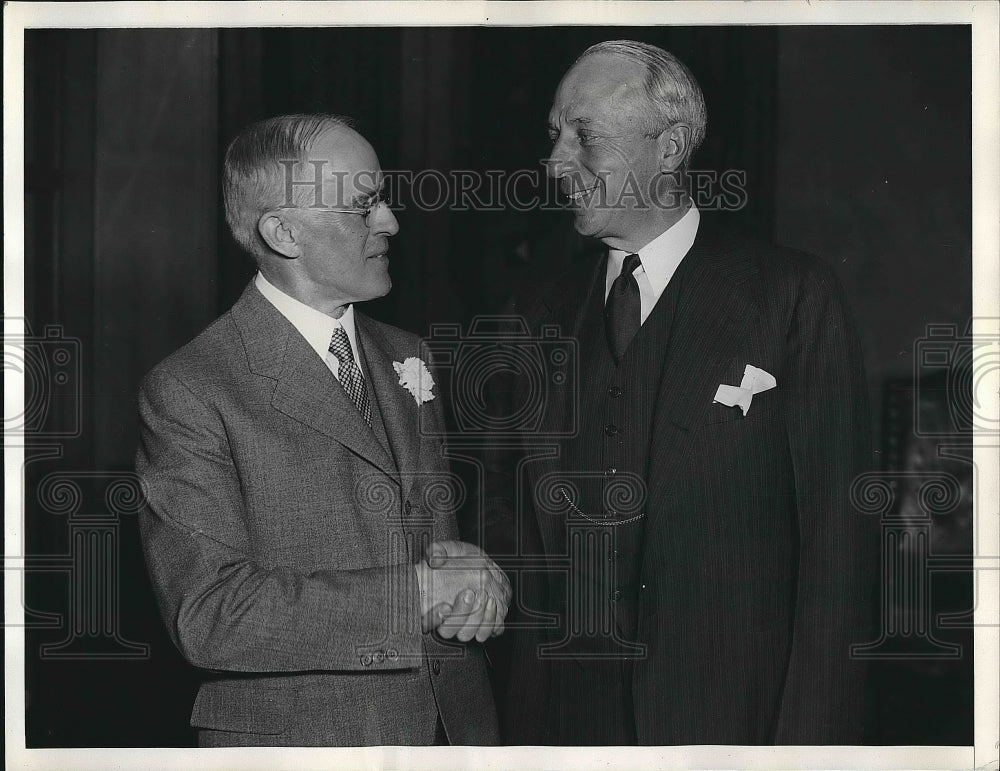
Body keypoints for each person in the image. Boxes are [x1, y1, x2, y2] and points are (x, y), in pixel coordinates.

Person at [484, 40, 877, 745]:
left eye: (584, 135)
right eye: (554, 135)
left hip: (731, 730)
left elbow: (837, 561)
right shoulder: (534, 314)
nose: (555, 163)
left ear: (670, 147)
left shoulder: (790, 297)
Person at [136, 113, 508, 747]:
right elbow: (209, 616)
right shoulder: (193, 387)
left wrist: (474, 581)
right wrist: (416, 594)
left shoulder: (406, 354)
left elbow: (421, 545)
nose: (390, 221)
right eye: (362, 207)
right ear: (283, 232)